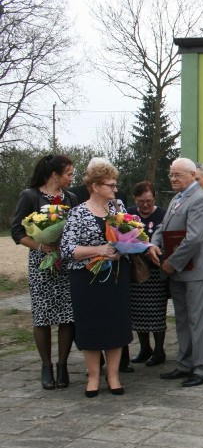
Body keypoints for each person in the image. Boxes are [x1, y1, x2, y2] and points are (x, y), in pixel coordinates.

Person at [60, 159, 133, 397]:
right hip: (86, 278)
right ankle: (93, 377)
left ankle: (113, 376)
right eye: (110, 185)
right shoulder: (78, 212)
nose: (115, 189)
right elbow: (67, 249)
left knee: (115, 324)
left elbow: (133, 234)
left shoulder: (118, 208)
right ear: (95, 186)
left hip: (116, 277)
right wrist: (99, 250)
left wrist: (129, 245)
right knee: (90, 326)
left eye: (115, 185)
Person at [11, 154, 78, 390]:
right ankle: (46, 366)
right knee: (42, 315)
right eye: (69, 174)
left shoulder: (71, 198)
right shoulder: (30, 196)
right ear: (54, 175)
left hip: (65, 263)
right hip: (41, 263)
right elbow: (17, 231)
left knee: (67, 315)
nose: (72, 178)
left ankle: (63, 365)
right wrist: (40, 245)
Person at [149, 158, 203, 387]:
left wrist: (172, 262)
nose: (173, 179)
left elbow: (195, 238)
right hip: (177, 269)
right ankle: (185, 364)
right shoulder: (178, 198)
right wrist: (154, 244)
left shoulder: (199, 200)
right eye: (171, 175)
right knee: (182, 319)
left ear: (191, 175)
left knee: (198, 320)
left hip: (195, 269)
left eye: (177, 175)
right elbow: (163, 226)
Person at [126, 181, 169, 367]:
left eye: (149, 201)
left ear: (154, 199)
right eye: (141, 201)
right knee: (138, 313)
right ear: (135, 199)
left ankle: (159, 350)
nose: (145, 205)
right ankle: (145, 348)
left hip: (156, 271)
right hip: (135, 271)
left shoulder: (164, 214)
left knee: (157, 313)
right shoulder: (128, 215)